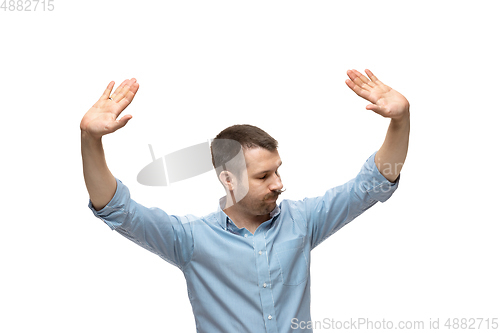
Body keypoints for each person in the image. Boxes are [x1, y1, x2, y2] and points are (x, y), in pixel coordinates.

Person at [80, 69, 410, 333]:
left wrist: (400, 120)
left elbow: (372, 184)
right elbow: (117, 210)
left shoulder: (303, 221)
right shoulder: (191, 239)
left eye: (277, 171)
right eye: (264, 176)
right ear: (229, 180)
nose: (279, 184)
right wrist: (91, 139)